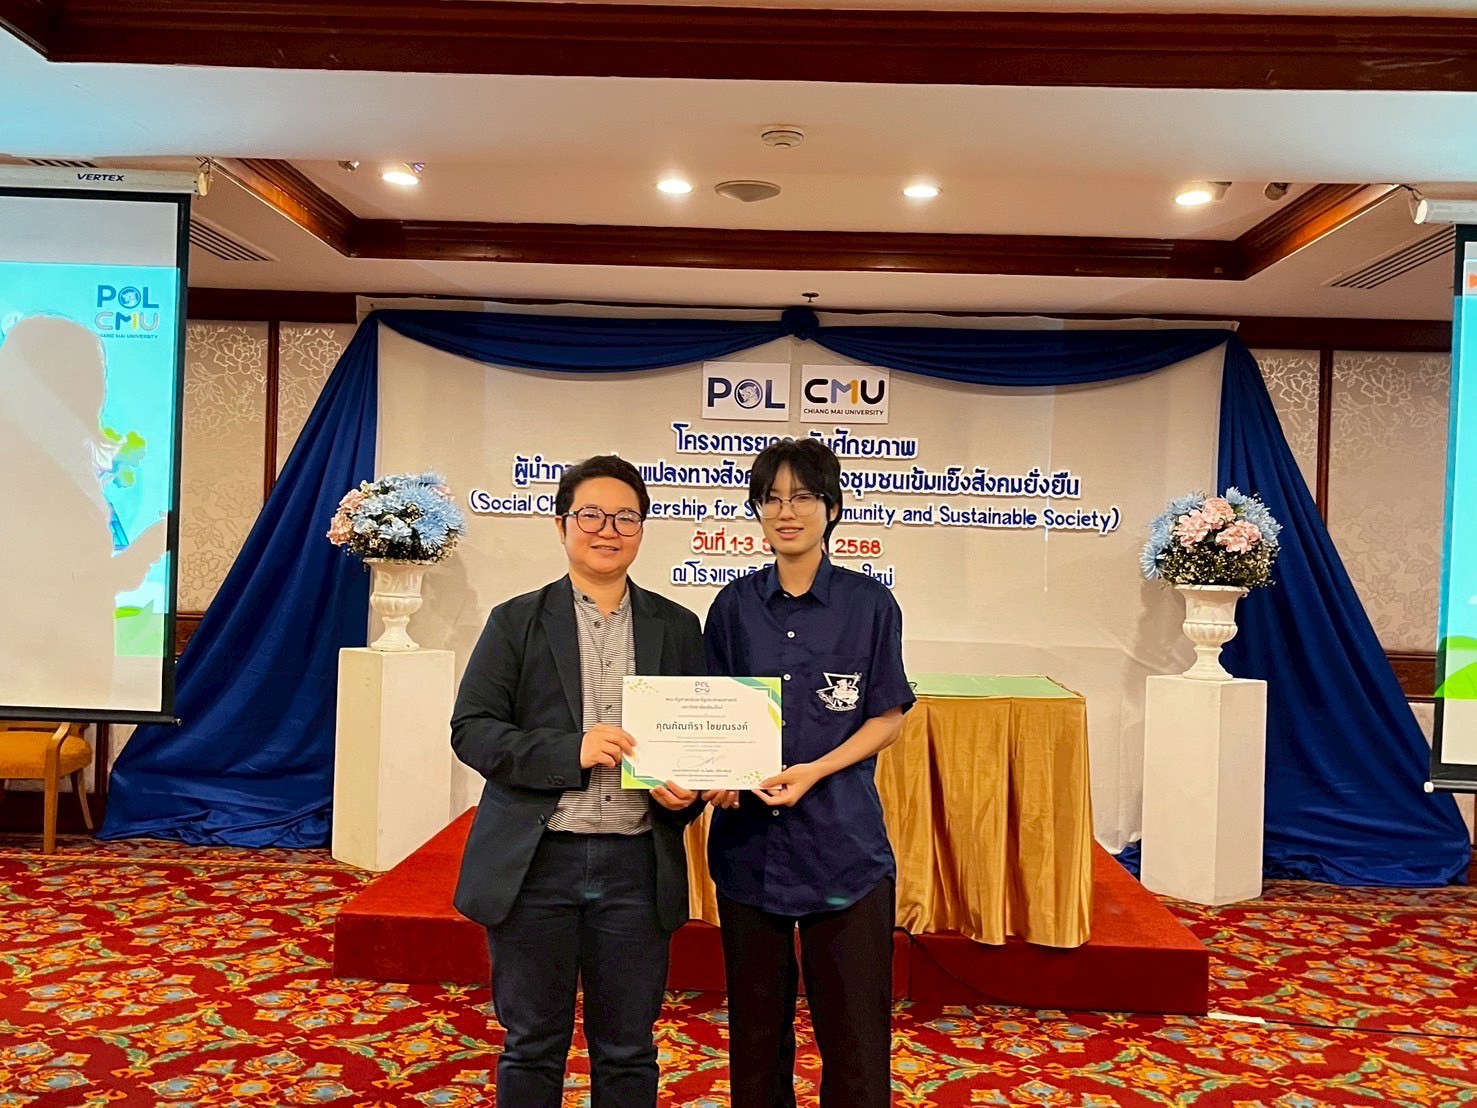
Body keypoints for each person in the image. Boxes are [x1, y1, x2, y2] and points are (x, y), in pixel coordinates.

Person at [450, 454, 706, 1107]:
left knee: (628, 1051)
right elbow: (472, 730)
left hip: (636, 867)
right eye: (590, 514)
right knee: (532, 1045)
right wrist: (573, 750)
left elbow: (696, 741)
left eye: (625, 517)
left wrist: (689, 791)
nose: (607, 530)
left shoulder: (677, 627)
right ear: (561, 524)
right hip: (537, 864)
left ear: (642, 529)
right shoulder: (516, 621)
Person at [703, 438, 914, 1107]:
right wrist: (713, 771)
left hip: (844, 848)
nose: (784, 512)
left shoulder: (870, 605)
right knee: (755, 1038)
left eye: (801, 497)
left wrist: (815, 770)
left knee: (856, 1043)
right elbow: (710, 715)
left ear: (831, 507)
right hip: (749, 851)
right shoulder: (732, 606)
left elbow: (886, 716)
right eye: (769, 499)